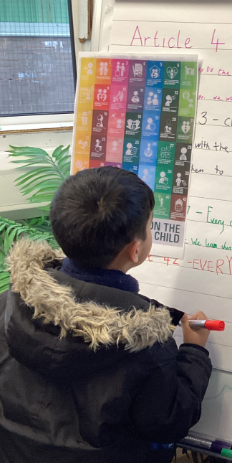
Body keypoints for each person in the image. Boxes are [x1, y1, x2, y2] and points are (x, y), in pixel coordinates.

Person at [0, 166, 212, 463]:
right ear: (135, 250)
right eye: (150, 226)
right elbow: (168, 422)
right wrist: (194, 352)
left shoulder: (9, 302)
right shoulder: (144, 343)